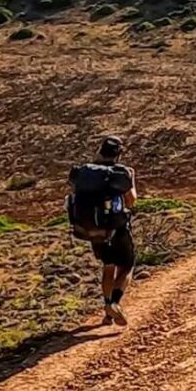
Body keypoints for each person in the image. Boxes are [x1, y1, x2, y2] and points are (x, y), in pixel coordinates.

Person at [67, 136, 138, 327]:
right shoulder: (123, 172)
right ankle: (114, 304)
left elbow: (73, 192)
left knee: (108, 266)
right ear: (119, 154)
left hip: (93, 228)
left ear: (100, 150)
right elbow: (131, 200)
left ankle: (107, 308)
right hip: (117, 227)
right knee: (127, 266)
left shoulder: (85, 172)